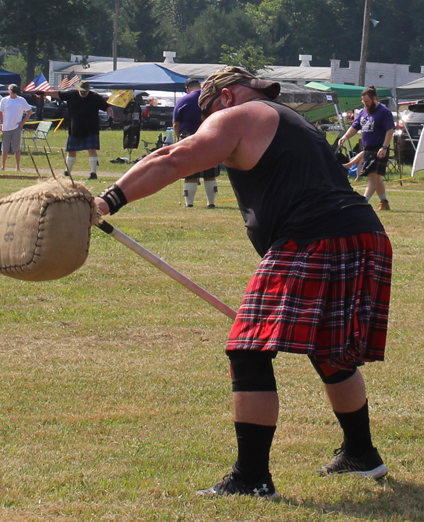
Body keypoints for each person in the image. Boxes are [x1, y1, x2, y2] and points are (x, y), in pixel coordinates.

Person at [94, 66, 392, 498]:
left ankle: (251, 478)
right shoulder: (290, 119)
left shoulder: (238, 115)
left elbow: (172, 158)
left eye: (207, 111)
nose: (206, 122)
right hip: (362, 235)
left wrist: (108, 199)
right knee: (330, 350)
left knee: (247, 348)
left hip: (314, 236)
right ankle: (362, 454)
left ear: (226, 96)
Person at [339, 86, 395, 210]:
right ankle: (384, 203)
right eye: (363, 102)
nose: (365, 104)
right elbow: (355, 126)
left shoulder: (384, 111)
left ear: (374, 99)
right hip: (368, 148)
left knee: (372, 176)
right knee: (376, 176)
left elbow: (390, 130)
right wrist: (345, 137)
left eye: (367, 102)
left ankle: (363, 204)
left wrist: (384, 147)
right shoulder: (364, 112)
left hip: (379, 148)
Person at [45, 81, 113, 180]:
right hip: (75, 128)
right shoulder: (71, 94)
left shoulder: (95, 97)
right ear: (79, 89)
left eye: (85, 91)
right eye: (82, 91)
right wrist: (44, 93)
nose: (84, 93)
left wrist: (110, 117)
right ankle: (67, 172)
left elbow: (108, 108)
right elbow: (58, 93)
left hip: (91, 128)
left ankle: (93, 174)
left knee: (91, 150)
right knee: (72, 150)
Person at [173, 78, 219, 207]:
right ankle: (211, 203)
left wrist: (178, 139)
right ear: (200, 86)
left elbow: (176, 124)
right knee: (210, 173)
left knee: (189, 172)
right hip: (209, 135)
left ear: (187, 89)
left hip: (189, 137)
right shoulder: (210, 98)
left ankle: (189, 203)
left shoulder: (183, 100)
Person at [0, 84, 33, 171]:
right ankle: (3, 166)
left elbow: (29, 111)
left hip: (16, 127)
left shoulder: (21, 100)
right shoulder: (4, 100)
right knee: (4, 149)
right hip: (6, 127)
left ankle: (18, 167)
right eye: (11, 92)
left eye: (14, 92)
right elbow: (0, 113)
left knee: (16, 149)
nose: (12, 94)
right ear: (9, 91)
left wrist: (23, 122)